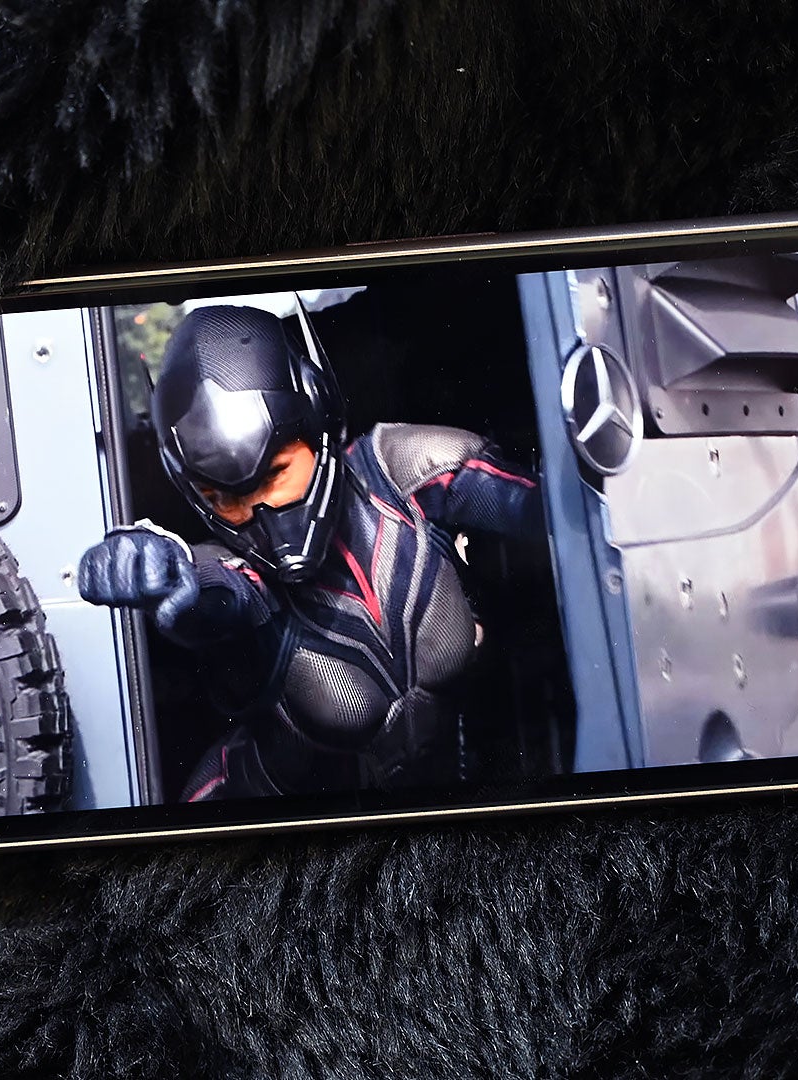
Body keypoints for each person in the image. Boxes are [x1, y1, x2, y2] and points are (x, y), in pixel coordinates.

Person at [77, 305, 541, 799]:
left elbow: (549, 509)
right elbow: (217, 586)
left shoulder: (406, 468)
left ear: (316, 423)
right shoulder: (249, 579)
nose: (263, 516)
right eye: (226, 499)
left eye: (277, 473)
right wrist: (168, 569)